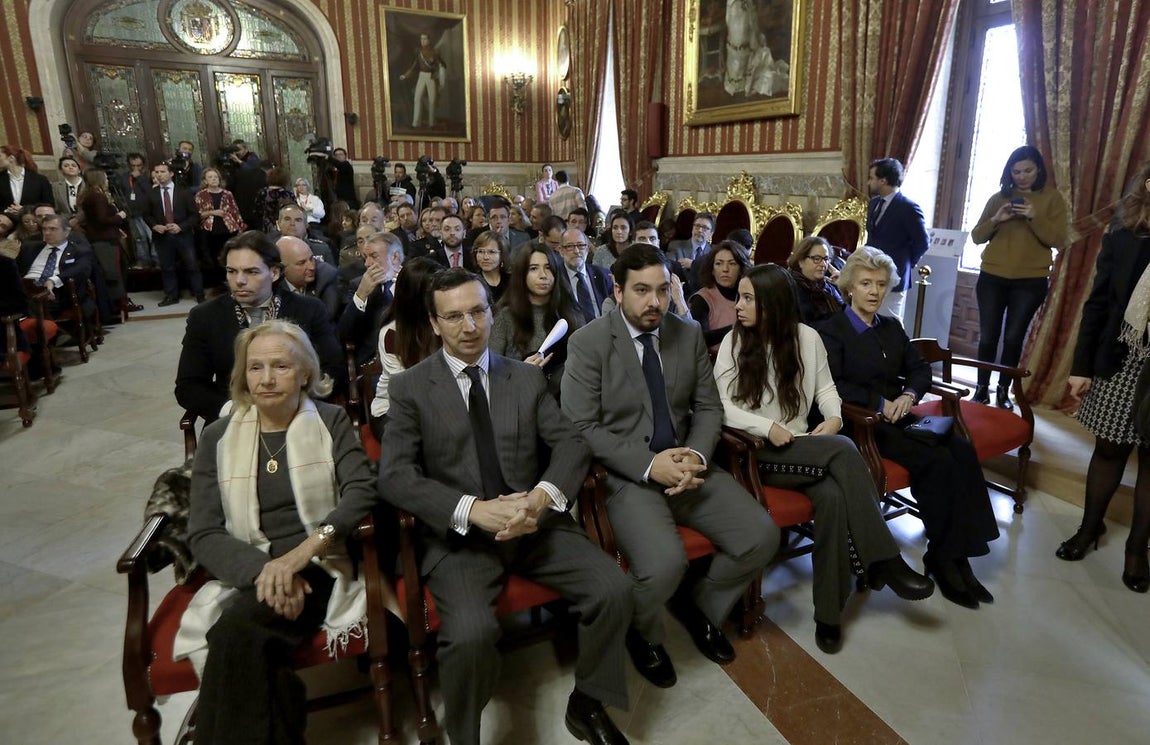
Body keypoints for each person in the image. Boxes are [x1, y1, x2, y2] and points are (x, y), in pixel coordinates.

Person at [379, 267, 632, 745]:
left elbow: (571, 444)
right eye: (454, 317)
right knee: (470, 635)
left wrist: (541, 498)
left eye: (478, 312)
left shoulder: (524, 377)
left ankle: (588, 702)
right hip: (462, 541)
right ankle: (465, 738)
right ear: (434, 323)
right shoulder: (411, 387)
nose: (469, 326)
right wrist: (472, 509)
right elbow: (394, 475)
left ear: (490, 314)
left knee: (614, 590)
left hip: (533, 525)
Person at [561, 244, 779, 688]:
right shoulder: (588, 342)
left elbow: (708, 407)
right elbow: (580, 426)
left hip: (688, 464)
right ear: (617, 291)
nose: (655, 302)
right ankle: (641, 632)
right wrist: (648, 465)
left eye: (663, 290)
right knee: (663, 565)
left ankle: (701, 608)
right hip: (627, 476)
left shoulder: (686, 332)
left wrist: (696, 455)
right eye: (642, 290)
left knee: (761, 536)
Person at [714, 264, 933, 653]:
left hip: (800, 446)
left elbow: (827, 389)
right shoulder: (735, 341)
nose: (738, 306)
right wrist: (767, 428)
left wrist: (833, 418)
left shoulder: (807, 337)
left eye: (748, 298)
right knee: (844, 449)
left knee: (832, 496)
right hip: (755, 452)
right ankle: (884, 559)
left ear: (773, 304)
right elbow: (721, 407)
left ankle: (828, 615)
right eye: (740, 297)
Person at [179, 319, 377, 744]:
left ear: (304, 373)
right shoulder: (217, 437)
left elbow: (361, 491)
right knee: (253, 645)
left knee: (233, 634)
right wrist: (266, 571)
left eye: (280, 366)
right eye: (255, 367)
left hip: (320, 564)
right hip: (250, 571)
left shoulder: (330, 421)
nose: (266, 379)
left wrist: (300, 555)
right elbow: (204, 531)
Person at [817, 246, 1000, 608]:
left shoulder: (891, 327)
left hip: (899, 414)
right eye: (866, 283)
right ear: (849, 286)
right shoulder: (831, 330)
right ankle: (944, 559)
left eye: (880, 284)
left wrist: (909, 394)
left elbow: (918, 368)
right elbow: (832, 384)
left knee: (961, 447)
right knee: (936, 461)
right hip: (861, 423)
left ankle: (957, 555)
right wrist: (878, 403)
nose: (874, 291)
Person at [1056, 163, 1150, 593]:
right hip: (1122, 357)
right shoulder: (1124, 233)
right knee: (1109, 450)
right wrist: (1081, 366)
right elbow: (1097, 304)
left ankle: (1137, 550)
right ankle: (1089, 527)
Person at [175, 231, 344, 423]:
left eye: (251, 272)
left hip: (299, 416)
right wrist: (233, 409)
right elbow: (188, 386)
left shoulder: (309, 309)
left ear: (274, 273)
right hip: (234, 421)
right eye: (232, 271)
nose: (239, 280)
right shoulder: (205, 316)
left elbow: (334, 370)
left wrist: (294, 402)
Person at [970, 145, 1068, 409]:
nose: (1022, 176)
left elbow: (1059, 240)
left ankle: (1003, 391)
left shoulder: (1052, 198)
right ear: (1009, 172)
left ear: (1039, 170)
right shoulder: (998, 198)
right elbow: (977, 236)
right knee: (988, 336)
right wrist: (997, 219)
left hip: (1030, 281)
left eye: (1028, 170)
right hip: (992, 276)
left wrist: (1034, 217)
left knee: (1014, 338)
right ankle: (981, 389)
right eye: (1016, 172)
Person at [490, 245, 583, 394]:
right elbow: (491, 370)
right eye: (533, 268)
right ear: (522, 274)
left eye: (548, 268)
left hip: (565, 396)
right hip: (519, 394)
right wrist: (520, 372)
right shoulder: (505, 316)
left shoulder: (570, 312)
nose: (543, 275)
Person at [368, 256, 442, 435]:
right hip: (395, 410)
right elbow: (406, 389)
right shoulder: (392, 333)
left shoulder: (446, 319)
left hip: (441, 402)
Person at [864, 158, 930, 322]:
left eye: (871, 178)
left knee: (891, 324)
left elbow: (922, 242)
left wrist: (906, 262)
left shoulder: (908, 207)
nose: (868, 182)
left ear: (883, 181)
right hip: (871, 273)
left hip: (894, 276)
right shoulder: (873, 203)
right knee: (870, 321)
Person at [339, 231, 404, 366]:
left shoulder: (415, 280)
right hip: (372, 363)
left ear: (395, 257)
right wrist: (361, 294)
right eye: (365, 257)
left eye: (374, 256)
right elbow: (344, 333)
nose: (367, 264)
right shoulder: (358, 285)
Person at [145, 161, 204, 306]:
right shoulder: (151, 193)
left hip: (183, 234)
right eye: (157, 172)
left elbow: (195, 216)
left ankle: (199, 294)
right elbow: (146, 214)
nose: (159, 175)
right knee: (167, 267)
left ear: (171, 174)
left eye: (162, 172)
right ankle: (171, 296)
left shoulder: (184, 192)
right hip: (162, 236)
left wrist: (181, 227)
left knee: (192, 265)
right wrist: (154, 225)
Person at [76, 168, 128, 315]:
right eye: (105, 177)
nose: (107, 180)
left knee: (113, 271)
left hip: (101, 237)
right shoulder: (97, 196)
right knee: (112, 272)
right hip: (104, 239)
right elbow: (102, 219)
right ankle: (118, 306)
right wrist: (119, 216)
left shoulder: (88, 196)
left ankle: (118, 304)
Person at [688, 240, 750, 350]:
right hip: (714, 358)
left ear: (741, 268)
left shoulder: (750, 295)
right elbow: (700, 338)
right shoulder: (701, 299)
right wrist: (736, 328)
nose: (725, 269)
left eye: (732, 263)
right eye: (718, 264)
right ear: (712, 270)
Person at [277, 236, 340, 320]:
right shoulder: (272, 283)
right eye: (301, 263)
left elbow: (327, 318)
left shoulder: (326, 275)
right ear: (282, 268)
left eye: (311, 259)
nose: (312, 267)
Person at [194, 167, 246, 269]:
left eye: (216, 177)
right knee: (212, 257)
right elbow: (197, 214)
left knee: (228, 255)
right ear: (205, 181)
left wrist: (240, 227)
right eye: (210, 177)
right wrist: (212, 212)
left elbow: (235, 211)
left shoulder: (227, 194)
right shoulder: (200, 195)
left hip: (228, 229)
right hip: (209, 230)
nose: (214, 179)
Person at [559, 227, 613, 323]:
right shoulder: (556, 277)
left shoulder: (603, 275)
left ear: (587, 249)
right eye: (570, 246)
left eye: (580, 245)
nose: (576, 251)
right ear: (561, 251)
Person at [788, 235, 845, 323]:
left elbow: (850, 318)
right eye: (817, 259)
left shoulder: (827, 286)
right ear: (800, 261)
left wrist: (844, 286)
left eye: (826, 259)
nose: (823, 264)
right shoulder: (792, 289)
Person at [399, 33, 447, 129]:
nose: (423, 41)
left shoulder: (435, 52)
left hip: (431, 76)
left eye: (425, 39)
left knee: (432, 100)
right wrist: (405, 75)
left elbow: (442, 65)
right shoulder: (419, 52)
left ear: (429, 40)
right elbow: (414, 66)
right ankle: (416, 123)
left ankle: (432, 123)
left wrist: (440, 76)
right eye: (421, 39)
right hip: (421, 76)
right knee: (417, 98)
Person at [1, 145, 54, 219]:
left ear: (11, 158)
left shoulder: (40, 180)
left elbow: (48, 204)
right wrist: (7, 211)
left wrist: (25, 210)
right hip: (6, 220)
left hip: (34, 220)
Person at [472, 230, 509, 305]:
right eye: (481, 251)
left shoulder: (512, 280)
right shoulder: (472, 283)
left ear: (502, 255)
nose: (485, 257)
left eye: (492, 252)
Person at [52, 155, 86, 219]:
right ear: (61, 170)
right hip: (65, 220)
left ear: (79, 170)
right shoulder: (55, 187)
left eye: (74, 165)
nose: (70, 167)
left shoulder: (87, 184)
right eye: (66, 166)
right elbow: (56, 208)